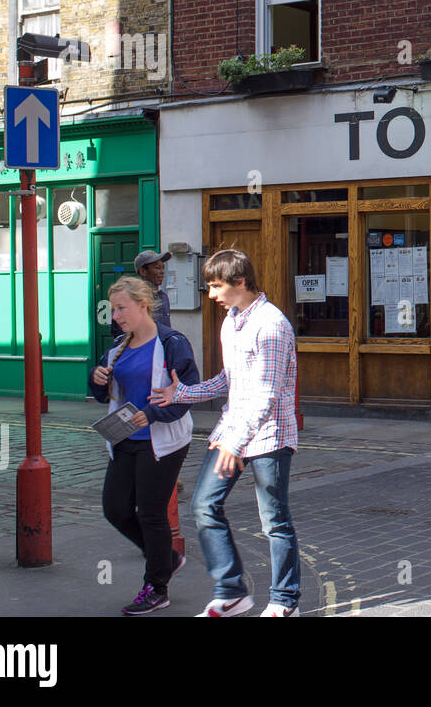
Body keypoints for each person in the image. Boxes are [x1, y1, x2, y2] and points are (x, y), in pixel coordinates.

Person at [150, 249, 301, 617]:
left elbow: (266, 393)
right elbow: (230, 381)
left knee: (274, 520)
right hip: (233, 430)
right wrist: (183, 393)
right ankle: (232, 591)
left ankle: (285, 602)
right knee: (203, 504)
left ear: (241, 282)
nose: (212, 295)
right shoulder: (231, 321)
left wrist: (236, 442)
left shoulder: (272, 324)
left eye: (217, 286)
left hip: (270, 435)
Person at [89, 275, 197, 615]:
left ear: (142, 305)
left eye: (122, 308)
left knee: (151, 513)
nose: (116, 316)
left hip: (162, 442)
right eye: (113, 310)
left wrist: (151, 414)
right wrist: (96, 379)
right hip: (124, 439)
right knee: (115, 509)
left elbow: (187, 394)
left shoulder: (173, 343)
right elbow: (101, 395)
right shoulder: (118, 346)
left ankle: (157, 587)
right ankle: (166, 557)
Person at [112, 250, 172, 341]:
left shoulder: (163, 296)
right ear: (143, 271)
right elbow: (119, 330)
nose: (162, 271)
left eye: (163, 268)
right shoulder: (133, 298)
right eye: (157, 268)